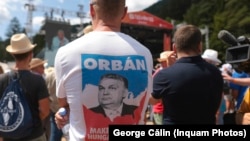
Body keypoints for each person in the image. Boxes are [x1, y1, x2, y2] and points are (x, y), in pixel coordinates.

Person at [54, 0, 153, 140]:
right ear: (124, 12)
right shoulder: (145, 54)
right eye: (101, 87)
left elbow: (64, 104)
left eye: (112, 87)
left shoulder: (66, 53)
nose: (105, 92)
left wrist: (66, 114)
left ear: (91, 10)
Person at [150, 25, 223, 124]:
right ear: (200, 46)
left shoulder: (164, 75)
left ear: (174, 48)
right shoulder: (216, 72)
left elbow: (153, 101)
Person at [0, 33, 50, 141]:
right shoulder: (38, 80)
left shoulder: (1, 79)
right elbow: (45, 110)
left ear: (13, 54)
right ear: (31, 55)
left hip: (8, 136)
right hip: (34, 135)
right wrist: (27, 122)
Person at [151, 51, 176, 125]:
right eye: (161, 61)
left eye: (164, 61)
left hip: (169, 110)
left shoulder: (165, 72)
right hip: (160, 110)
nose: (162, 63)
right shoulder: (159, 73)